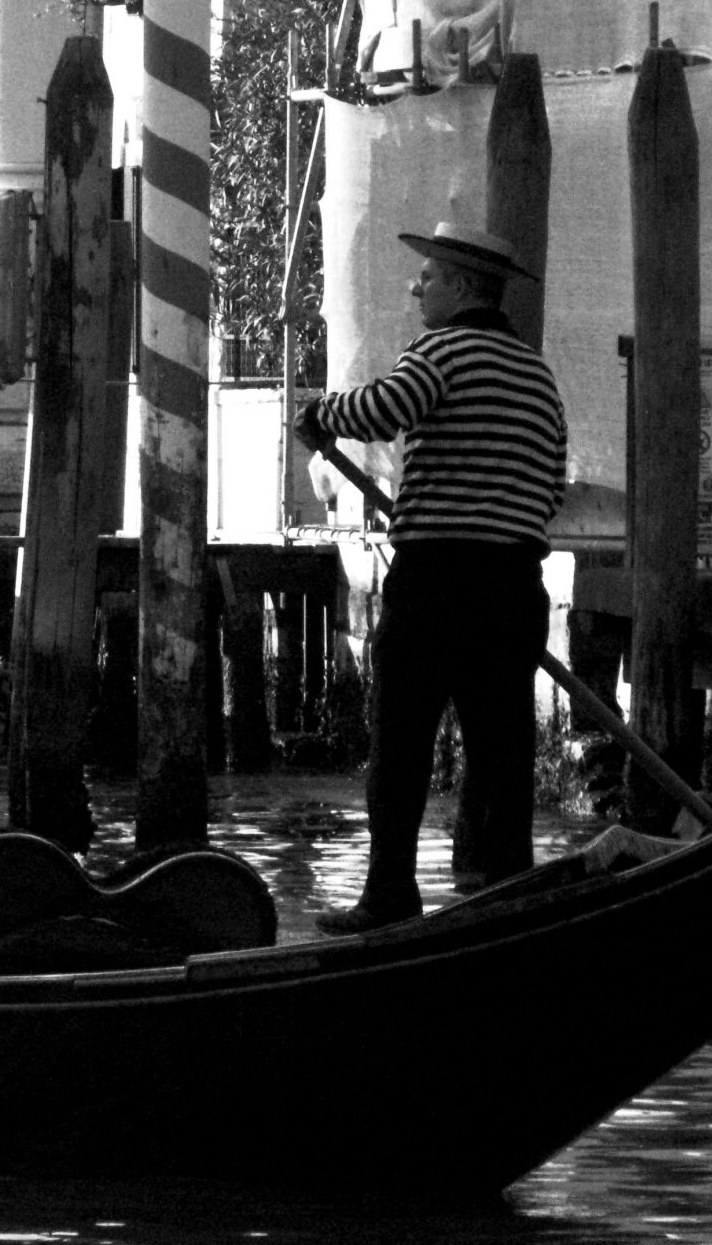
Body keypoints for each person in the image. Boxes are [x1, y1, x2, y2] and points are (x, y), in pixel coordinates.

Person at [294, 220, 568, 933]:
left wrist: (322, 413)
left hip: (440, 579)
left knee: (402, 741)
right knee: (502, 748)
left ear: (465, 288)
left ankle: (390, 893)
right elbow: (547, 490)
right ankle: (507, 893)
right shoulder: (538, 376)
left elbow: (385, 408)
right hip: (513, 584)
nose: (417, 286)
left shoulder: (442, 350)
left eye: (430, 277)